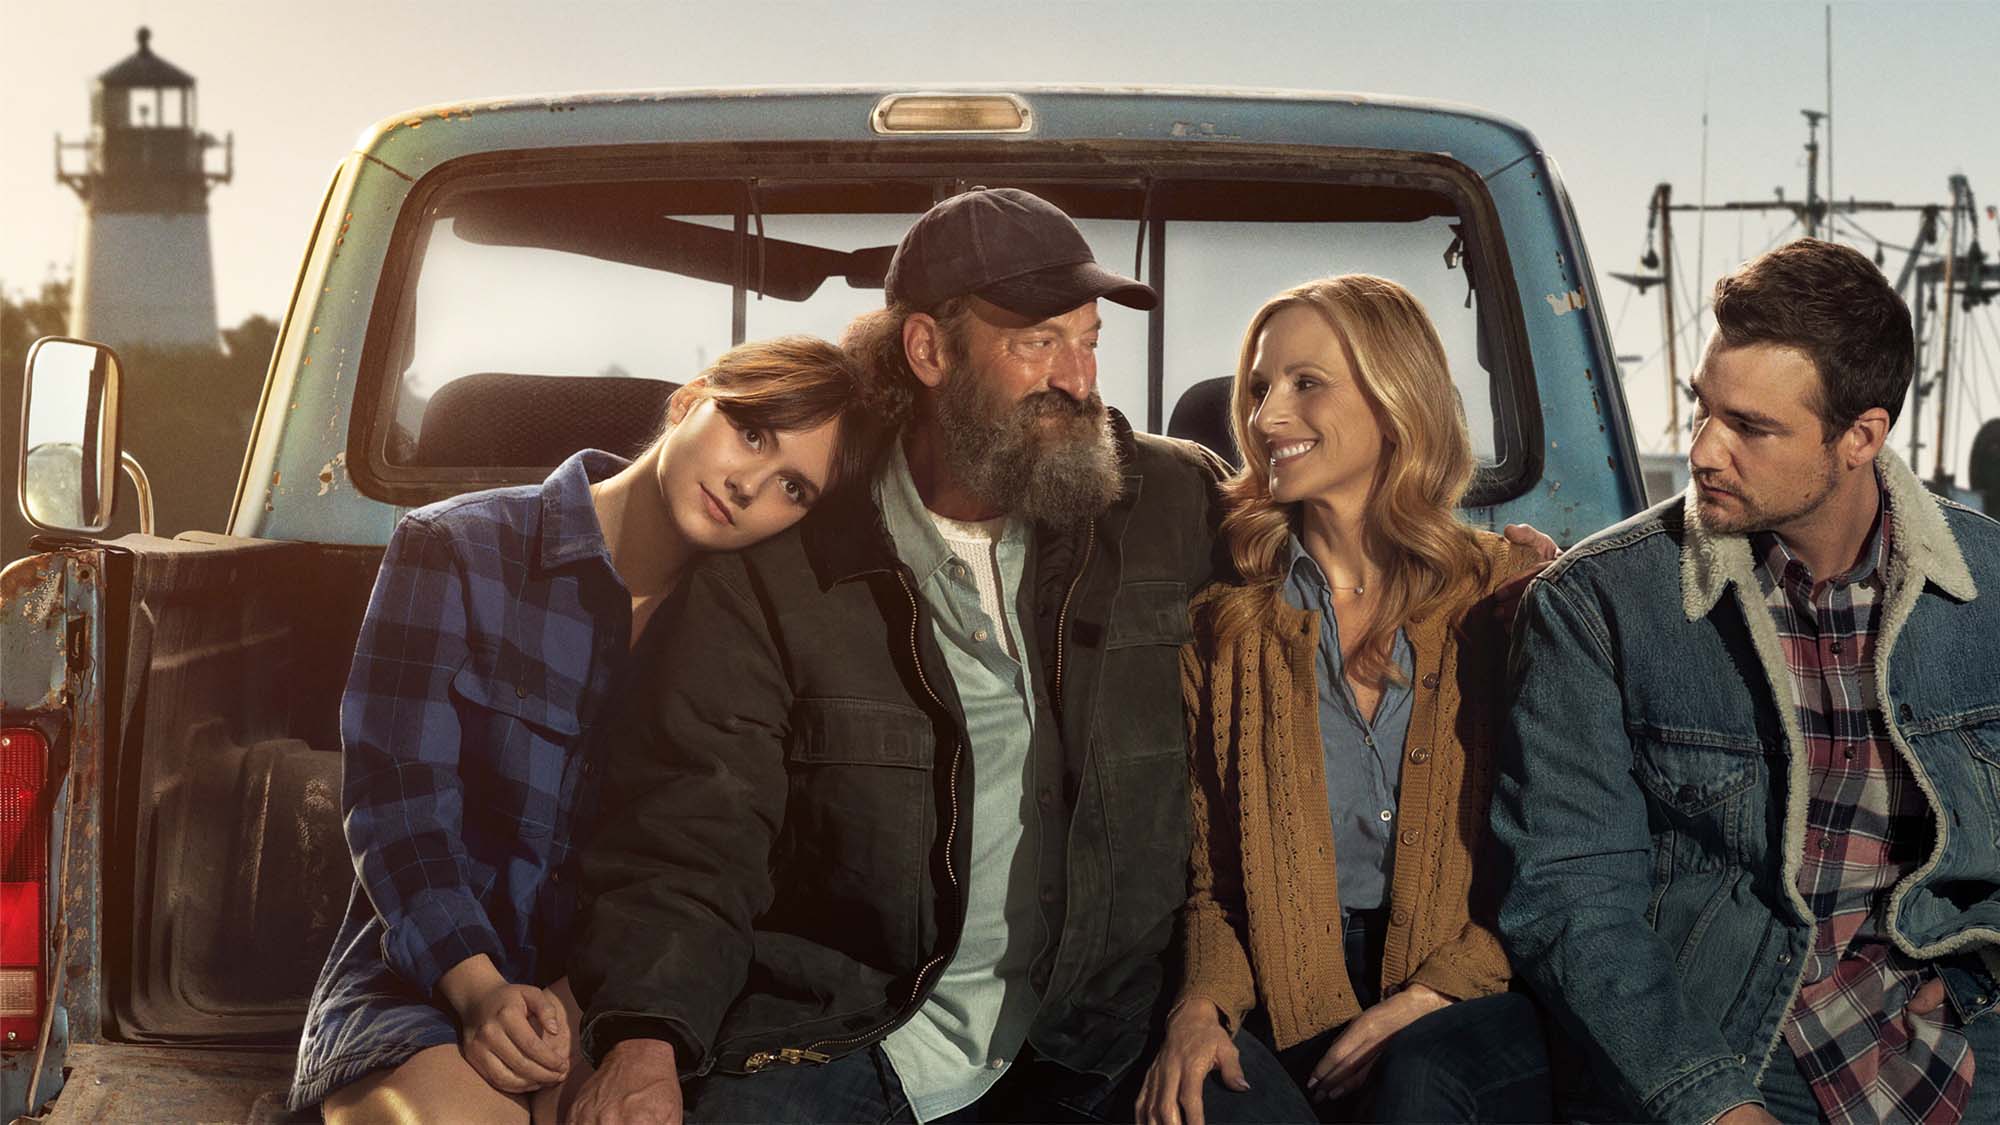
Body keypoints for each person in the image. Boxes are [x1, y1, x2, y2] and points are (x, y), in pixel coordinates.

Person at [565, 187, 1244, 1124]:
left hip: (1112, 1029)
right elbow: (693, 830)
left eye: (1089, 340)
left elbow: (1342, 544)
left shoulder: (1166, 499)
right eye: (1038, 342)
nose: (1079, 379)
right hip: (850, 1031)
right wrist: (645, 1038)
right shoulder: (777, 562)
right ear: (929, 350)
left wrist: (1493, 568)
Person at [288, 336, 901, 1123]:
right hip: (427, 978)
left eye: (794, 486)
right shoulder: (455, 549)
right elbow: (395, 806)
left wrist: (588, 1006)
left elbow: (724, 859)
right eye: (751, 432)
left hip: (616, 1004)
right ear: (691, 399)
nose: (750, 486)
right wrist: (478, 990)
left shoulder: (759, 640)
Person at [1492, 238, 2000, 1124]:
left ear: (1861, 437)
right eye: (1701, 409)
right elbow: (1571, 894)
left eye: (1751, 428)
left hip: (1957, 1013)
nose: (1704, 452)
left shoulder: (1988, 587)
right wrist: (1712, 1104)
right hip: (1732, 1033)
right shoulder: (1598, 602)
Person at [1136, 276, 1555, 1125]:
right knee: (1198, 1099)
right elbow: (1214, 878)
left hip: (1476, 986)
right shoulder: (1227, 625)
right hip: (1286, 980)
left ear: (1396, 396)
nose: (1264, 417)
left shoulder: (1511, 593)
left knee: (1422, 1082)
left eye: (1306, 383)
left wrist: (1433, 996)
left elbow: (1558, 858)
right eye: (1259, 389)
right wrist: (1201, 1006)